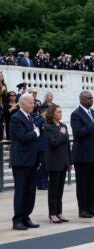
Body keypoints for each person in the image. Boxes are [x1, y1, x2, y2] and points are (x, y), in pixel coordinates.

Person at [10, 93, 40, 230]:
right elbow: (22, 137)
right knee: (21, 191)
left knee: (30, 191)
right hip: (21, 161)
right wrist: (35, 133)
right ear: (22, 103)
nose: (33, 105)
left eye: (33, 103)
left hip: (32, 160)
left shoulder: (30, 118)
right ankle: (17, 219)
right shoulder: (16, 118)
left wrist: (38, 159)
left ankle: (26, 216)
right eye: (30, 103)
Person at [70, 91, 94, 218]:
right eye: (89, 98)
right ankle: (83, 209)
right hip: (82, 156)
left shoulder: (93, 113)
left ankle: (91, 206)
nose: (91, 100)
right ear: (82, 99)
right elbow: (79, 133)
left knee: (93, 184)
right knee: (83, 184)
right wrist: (92, 124)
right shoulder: (76, 114)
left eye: (92, 98)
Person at [44, 104, 72, 223]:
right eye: (58, 112)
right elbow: (53, 143)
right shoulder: (48, 127)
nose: (60, 114)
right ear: (52, 113)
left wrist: (69, 161)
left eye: (61, 112)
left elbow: (67, 145)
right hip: (53, 162)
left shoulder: (63, 126)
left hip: (63, 161)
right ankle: (52, 213)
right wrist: (61, 134)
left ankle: (59, 212)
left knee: (60, 189)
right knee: (53, 189)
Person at [34, 104, 49, 190]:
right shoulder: (37, 118)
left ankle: (46, 182)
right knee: (41, 166)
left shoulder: (49, 120)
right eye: (46, 111)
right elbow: (36, 125)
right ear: (42, 111)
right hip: (40, 146)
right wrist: (43, 118)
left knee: (47, 166)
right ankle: (40, 183)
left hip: (48, 146)